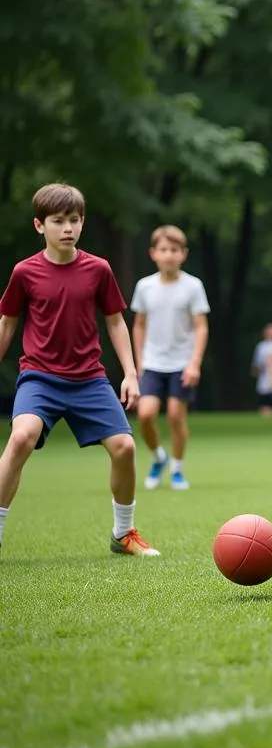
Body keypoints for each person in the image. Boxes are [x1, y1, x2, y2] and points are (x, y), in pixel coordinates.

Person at [0, 184, 159, 556]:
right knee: (21, 437)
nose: (67, 228)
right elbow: (7, 323)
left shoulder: (98, 269)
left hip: (89, 378)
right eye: (58, 221)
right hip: (39, 377)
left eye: (74, 220)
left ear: (82, 222)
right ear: (40, 225)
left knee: (124, 447)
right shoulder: (25, 272)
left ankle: (123, 534)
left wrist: (131, 373)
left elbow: (116, 322)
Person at [131, 225, 210, 491]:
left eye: (174, 250)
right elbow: (139, 325)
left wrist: (194, 362)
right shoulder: (145, 287)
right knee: (145, 414)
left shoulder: (193, 286)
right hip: (152, 363)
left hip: (181, 363)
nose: (169, 255)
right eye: (163, 250)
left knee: (176, 415)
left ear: (183, 254)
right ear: (153, 253)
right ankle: (158, 458)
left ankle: (177, 468)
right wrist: (139, 361)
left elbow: (201, 326)